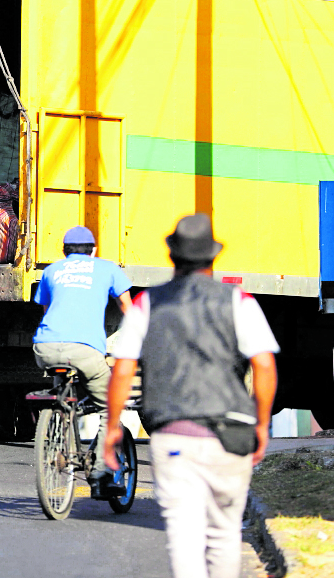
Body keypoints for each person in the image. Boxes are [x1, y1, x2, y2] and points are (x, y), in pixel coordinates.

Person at [104, 214, 278, 578]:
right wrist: (261, 425)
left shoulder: (147, 304)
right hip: (231, 433)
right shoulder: (239, 301)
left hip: (172, 434)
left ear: (173, 257)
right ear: (213, 258)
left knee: (184, 536)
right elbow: (263, 366)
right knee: (224, 533)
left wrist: (111, 431)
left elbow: (122, 369)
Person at [32, 225, 132, 498]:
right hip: (85, 351)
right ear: (94, 250)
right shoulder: (107, 268)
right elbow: (127, 307)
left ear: (64, 252)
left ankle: (61, 436)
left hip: (45, 348)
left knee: (63, 395)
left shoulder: (52, 271)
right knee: (108, 407)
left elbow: (46, 309)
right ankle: (100, 475)